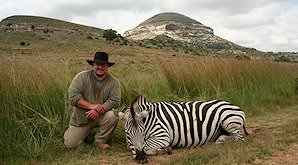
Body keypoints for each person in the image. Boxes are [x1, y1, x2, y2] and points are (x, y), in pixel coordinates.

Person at [64, 51, 121, 149]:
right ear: (93, 65)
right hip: (81, 118)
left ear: (107, 66)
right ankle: (84, 133)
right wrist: (91, 106)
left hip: (101, 116)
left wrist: (97, 110)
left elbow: (115, 101)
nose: (100, 67)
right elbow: (73, 96)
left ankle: (100, 141)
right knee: (70, 144)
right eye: (97, 64)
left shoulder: (114, 82)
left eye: (103, 65)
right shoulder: (81, 77)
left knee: (113, 115)